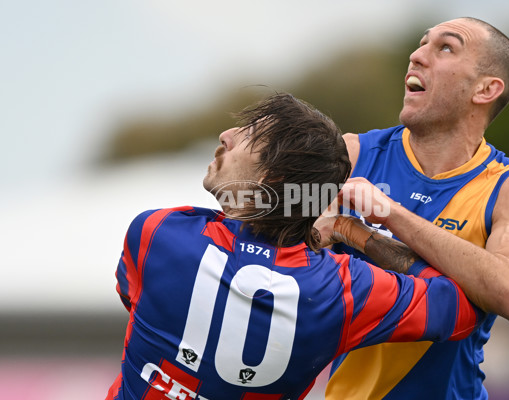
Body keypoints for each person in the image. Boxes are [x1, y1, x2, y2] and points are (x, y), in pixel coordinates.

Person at [105, 93, 484, 400]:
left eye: (248, 134)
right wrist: (359, 232)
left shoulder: (158, 232)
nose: (227, 134)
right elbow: (460, 306)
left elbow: (134, 296)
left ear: (271, 177)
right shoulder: (345, 288)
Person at [316, 17, 509, 400]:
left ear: (486, 88)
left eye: (446, 47)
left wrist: (390, 214)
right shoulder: (351, 154)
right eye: (422, 43)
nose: (416, 55)